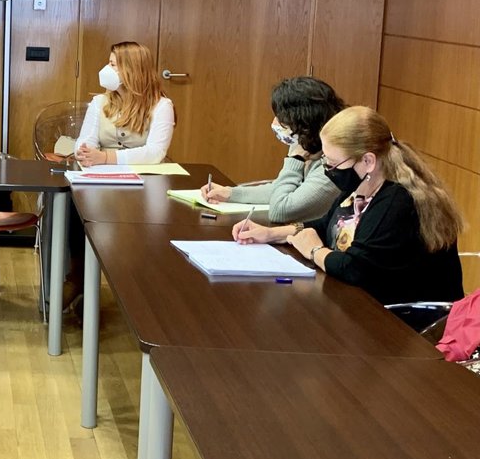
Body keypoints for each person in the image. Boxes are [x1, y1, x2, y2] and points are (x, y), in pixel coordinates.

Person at [233, 106, 464, 326]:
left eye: (333, 163)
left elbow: (354, 267)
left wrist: (314, 250)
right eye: (325, 160)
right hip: (367, 307)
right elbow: (328, 224)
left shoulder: (398, 201)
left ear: (368, 161)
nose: (328, 169)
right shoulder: (363, 183)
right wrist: (271, 234)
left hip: (406, 323)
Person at [65, 42, 176, 310]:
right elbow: (85, 142)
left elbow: (155, 153)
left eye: (113, 64)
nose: (107, 69)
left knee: (142, 226)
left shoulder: (162, 106)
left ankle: (138, 289)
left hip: (144, 186)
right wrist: (85, 153)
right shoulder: (100, 102)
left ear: (131, 69)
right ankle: (77, 279)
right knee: (72, 206)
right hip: (100, 182)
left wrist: (106, 158)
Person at [200, 76, 345, 223]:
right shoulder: (304, 145)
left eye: (281, 117)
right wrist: (230, 193)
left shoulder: (333, 165)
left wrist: (295, 159)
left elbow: (280, 211)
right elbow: (281, 188)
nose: (275, 122)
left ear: (304, 122)